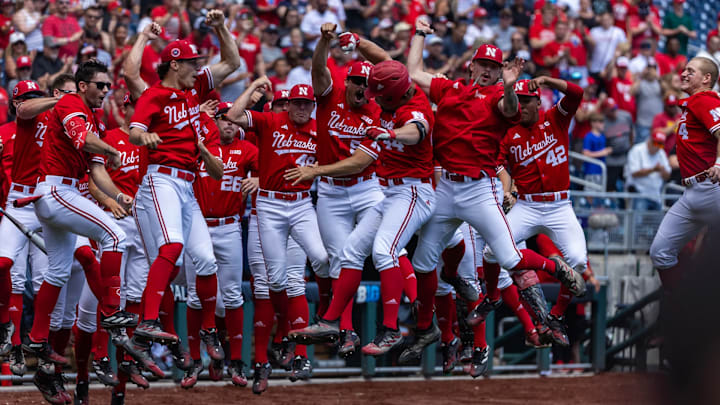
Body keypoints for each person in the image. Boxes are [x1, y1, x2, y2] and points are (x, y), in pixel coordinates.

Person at [288, 56, 436, 357]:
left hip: (414, 191)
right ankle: (330, 321)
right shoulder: (384, 107)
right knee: (350, 252)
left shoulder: (412, 108)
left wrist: (391, 134)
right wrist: (355, 43)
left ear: (392, 93)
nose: (370, 97)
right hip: (391, 192)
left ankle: (393, 328)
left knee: (385, 251)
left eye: (376, 93)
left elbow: (416, 130)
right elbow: (388, 64)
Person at [127, 9, 240, 372]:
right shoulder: (155, 95)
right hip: (160, 178)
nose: (197, 68)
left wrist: (221, 26)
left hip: (187, 184)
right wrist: (145, 135)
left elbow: (233, 61)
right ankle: (147, 320)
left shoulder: (197, 89)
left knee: (205, 260)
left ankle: (208, 329)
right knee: (172, 248)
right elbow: (133, 131)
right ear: (175, 65)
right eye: (191, 63)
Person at [24, 59, 137, 402]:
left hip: (63, 190)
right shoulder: (72, 102)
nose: (105, 90)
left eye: (107, 86)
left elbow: (97, 171)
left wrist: (117, 194)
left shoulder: (97, 119)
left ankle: (37, 340)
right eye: (100, 85)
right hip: (57, 190)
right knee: (116, 235)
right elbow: (83, 140)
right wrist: (111, 148)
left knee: (58, 270)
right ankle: (111, 311)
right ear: (83, 85)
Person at [223, 80, 328, 384]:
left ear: (312, 105)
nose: (299, 107)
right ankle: (277, 343)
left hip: (301, 203)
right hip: (268, 206)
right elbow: (233, 115)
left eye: (305, 103)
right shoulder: (269, 122)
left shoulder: (319, 128)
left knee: (319, 260)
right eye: (293, 102)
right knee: (274, 281)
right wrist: (254, 86)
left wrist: (318, 169)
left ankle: (320, 324)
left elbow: (338, 159)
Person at [292, 23, 383, 357]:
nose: (362, 87)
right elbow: (318, 68)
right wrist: (323, 42)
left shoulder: (376, 111)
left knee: (387, 251)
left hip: (367, 188)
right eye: (358, 81)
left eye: (368, 84)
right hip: (330, 192)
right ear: (347, 82)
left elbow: (359, 162)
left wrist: (316, 170)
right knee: (338, 261)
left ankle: (400, 320)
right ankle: (346, 331)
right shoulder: (329, 96)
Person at [494, 76, 588, 346]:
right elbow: (498, 164)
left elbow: (577, 93)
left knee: (579, 261)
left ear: (538, 101)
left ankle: (556, 316)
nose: (521, 106)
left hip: (559, 206)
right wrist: (507, 188)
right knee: (493, 253)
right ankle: (535, 309)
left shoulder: (555, 118)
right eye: (517, 101)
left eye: (526, 101)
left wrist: (547, 80)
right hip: (527, 205)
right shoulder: (507, 132)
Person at [650, 57, 720, 288]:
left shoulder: (704, 99)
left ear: (706, 78)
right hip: (692, 193)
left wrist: (719, 163)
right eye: (684, 69)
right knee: (660, 252)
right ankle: (681, 306)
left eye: (691, 71)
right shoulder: (694, 103)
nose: (684, 73)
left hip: (712, 189)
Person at [625, 131, 671, 210]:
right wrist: (653, 170)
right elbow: (634, 173)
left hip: (656, 195)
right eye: (656, 143)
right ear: (650, 140)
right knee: (637, 222)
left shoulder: (661, 153)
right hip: (639, 194)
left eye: (660, 144)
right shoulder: (637, 150)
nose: (657, 147)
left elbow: (667, 176)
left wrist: (662, 171)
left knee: (656, 222)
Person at [582, 111, 612, 187]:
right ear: (593, 123)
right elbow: (585, 154)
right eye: (600, 122)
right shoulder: (589, 137)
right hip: (591, 171)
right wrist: (603, 152)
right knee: (590, 193)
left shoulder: (602, 136)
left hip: (601, 171)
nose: (603, 124)